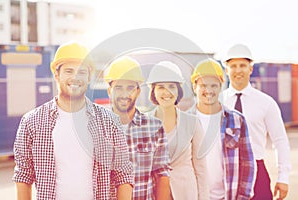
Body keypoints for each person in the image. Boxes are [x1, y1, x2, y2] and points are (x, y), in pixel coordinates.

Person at [12, 42, 134, 200]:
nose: (76, 77)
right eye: (69, 71)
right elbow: (24, 175)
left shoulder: (110, 122)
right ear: (57, 75)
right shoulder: (32, 121)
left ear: (89, 77)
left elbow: (123, 175)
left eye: (82, 72)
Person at [222, 44, 291, 200]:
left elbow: (280, 141)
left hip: (257, 170)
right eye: (233, 66)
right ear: (226, 70)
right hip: (225, 171)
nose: (238, 70)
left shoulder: (266, 102)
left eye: (242, 65)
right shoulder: (217, 102)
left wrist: (283, 177)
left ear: (250, 69)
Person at [104, 56, 171, 200]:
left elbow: (162, 176)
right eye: (118, 87)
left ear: (138, 91)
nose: (124, 94)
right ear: (109, 91)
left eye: (130, 88)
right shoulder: (98, 127)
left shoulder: (154, 127)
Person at [188, 58, 255, 200]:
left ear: (221, 86)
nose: (209, 91)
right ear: (194, 87)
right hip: (195, 195)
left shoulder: (237, 120)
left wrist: (243, 197)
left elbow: (247, 163)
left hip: (228, 195)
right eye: (203, 85)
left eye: (214, 85)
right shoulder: (183, 122)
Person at [145, 61, 209, 200]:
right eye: (161, 87)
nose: (166, 92)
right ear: (153, 91)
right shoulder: (143, 123)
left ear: (178, 90)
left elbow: (201, 169)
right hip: (154, 194)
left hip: (186, 193)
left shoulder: (192, 122)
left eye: (171, 86)